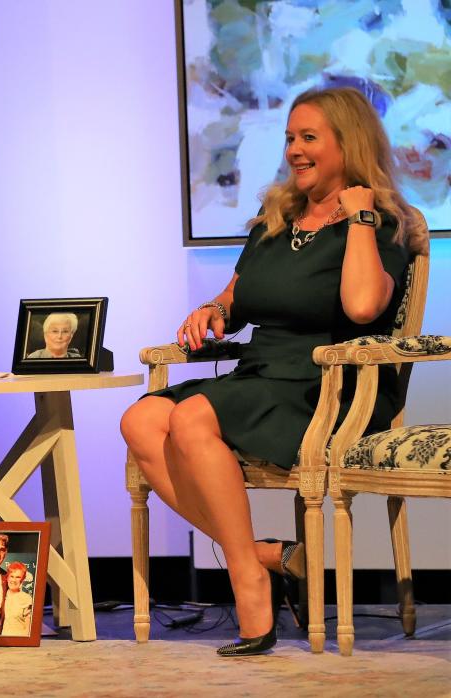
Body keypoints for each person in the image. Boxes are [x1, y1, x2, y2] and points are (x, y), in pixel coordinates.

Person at [120, 87, 428, 656]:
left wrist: (358, 216)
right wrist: (213, 310)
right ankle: (266, 556)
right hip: (262, 373)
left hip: (330, 384)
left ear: (348, 144)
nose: (294, 150)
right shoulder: (275, 217)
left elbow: (363, 308)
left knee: (191, 419)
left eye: (309, 138)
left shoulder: (381, 223)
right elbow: (236, 299)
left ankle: (248, 583)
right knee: (140, 422)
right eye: (290, 138)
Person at [0, 561, 33, 637]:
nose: (14, 580)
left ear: (23, 579)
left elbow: (28, 628)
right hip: (2, 640)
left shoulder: (27, 599)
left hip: (19, 640)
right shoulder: (1, 595)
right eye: (12, 576)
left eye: (18, 577)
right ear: (7, 577)